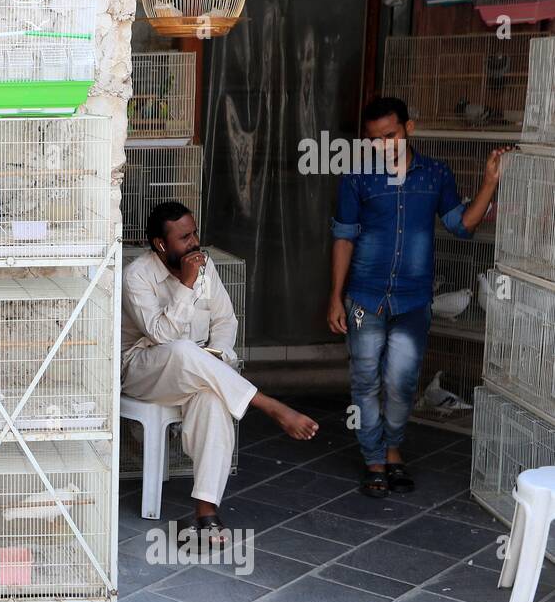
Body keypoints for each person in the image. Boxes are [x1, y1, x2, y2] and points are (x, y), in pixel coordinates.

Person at [328, 96, 507, 498]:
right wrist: (335, 297)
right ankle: (375, 460)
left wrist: (490, 181)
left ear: (409, 128)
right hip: (364, 298)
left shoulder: (435, 175)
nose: (382, 146)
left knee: (402, 383)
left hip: (412, 300)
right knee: (364, 380)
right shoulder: (357, 177)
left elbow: (462, 226)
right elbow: (343, 237)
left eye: (390, 135)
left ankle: (393, 450)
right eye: (374, 139)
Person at [122, 201, 319, 544]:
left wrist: (219, 356)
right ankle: (268, 404)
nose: (194, 242)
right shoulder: (137, 276)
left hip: (196, 368)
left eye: (195, 232)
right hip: (145, 369)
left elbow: (225, 320)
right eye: (184, 238)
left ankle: (206, 512)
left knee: (213, 397)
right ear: (161, 245)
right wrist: (185, 284)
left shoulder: (205, 265)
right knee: (183, 350)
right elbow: (163, 337)